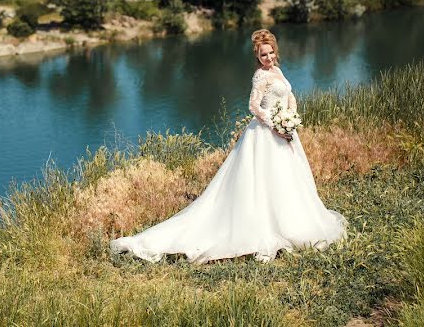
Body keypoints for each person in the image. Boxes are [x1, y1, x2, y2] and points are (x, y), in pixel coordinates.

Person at [109, 29, 346, 263]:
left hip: (284, 131)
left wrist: (290, 118)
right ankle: (262, 227)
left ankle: (291, 222)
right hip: (265, 134)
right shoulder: (260, 76)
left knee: (286, 179)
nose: (269, 58)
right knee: (263, 181)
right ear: (257, 56)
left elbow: (289, 96)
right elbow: (253, 106)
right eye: (264, 55)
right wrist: (275, 125)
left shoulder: (277, 71)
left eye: (271, 53)